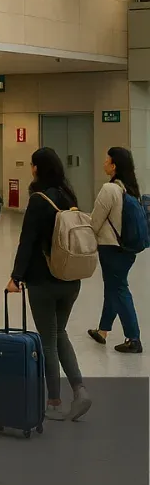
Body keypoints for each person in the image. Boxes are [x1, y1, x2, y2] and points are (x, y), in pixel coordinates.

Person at [10, 147, 91, 421]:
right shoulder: (69, 196)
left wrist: (15, 277)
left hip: (43, 282)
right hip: (70, 279)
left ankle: (54, 402)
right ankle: (79, 391)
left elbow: (27, 241)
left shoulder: (38, 199)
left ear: (37, 168)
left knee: (48, 341)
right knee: (60, 334)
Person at [87, 147, 142, 354]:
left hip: (111, 249)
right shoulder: (131, 189)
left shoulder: (109, 189)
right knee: (113, 287)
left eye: (107, 160)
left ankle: (133, 338)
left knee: (118, 289)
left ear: (114, 166)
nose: (104, 163)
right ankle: (102, 331)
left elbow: (95, 222)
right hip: (127, 249)